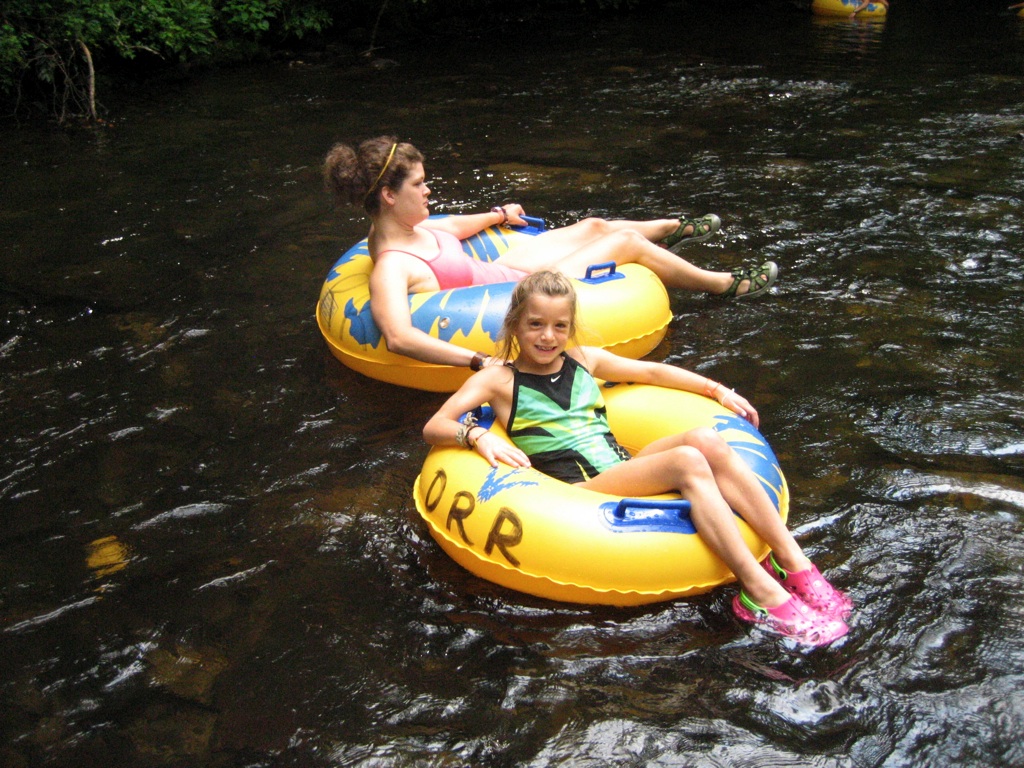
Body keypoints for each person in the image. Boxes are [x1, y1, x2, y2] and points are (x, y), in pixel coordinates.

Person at [423, 271, 852, 646]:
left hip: (623, 466)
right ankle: (758, 589)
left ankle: (793, 561)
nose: (547, 336)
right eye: (535, 324)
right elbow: (435, 425)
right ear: (515, 323)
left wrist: (718, 390)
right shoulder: (499, 379)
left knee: (705, 438)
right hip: (581, 491)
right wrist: (475, 434)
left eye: (559, 325)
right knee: (686, 461)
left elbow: (653, 373)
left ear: (571, 327)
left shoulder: (583, 359)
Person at [324, 136, 778, 371]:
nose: (428, 191)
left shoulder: (414, 225)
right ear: (387, 195)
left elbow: (456, 227)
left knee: (594, 227)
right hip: (515, 291)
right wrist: (479, 360)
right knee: (626, 245)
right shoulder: (391, 265)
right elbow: (399, 337)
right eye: (419, 184)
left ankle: (674, 229)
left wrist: (500, 214)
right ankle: (725, 285)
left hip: (499, 268)